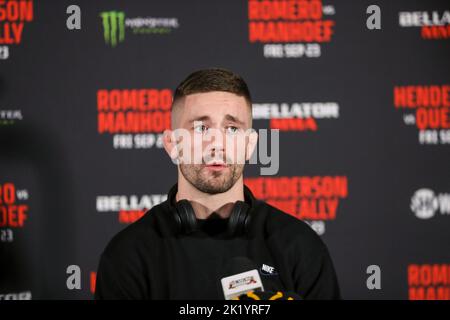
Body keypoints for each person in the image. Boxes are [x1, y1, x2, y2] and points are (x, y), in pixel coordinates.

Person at [95, 67, 341, 300]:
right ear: (172, 144)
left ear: (250, 145)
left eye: (232, 129)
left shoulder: (299, 246)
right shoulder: (129, 255)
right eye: (201, 127)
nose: (217, 144)